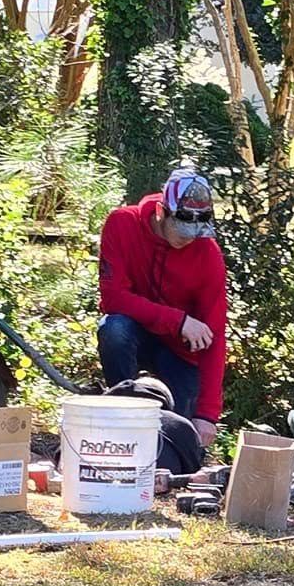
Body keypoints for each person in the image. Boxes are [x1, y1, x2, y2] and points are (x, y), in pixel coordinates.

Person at [97, 168, 226, 447]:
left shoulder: (208, 253)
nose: (189, 238)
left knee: (179, 439)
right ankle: (122, 410)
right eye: (181, 229)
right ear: (161, 211)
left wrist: (208, 414)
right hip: (134, 331)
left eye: (196, 231)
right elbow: (113, 298)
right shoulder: (122, 223)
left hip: (179, 353)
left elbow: (214, 336)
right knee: (114, 329)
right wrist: (179, 320)